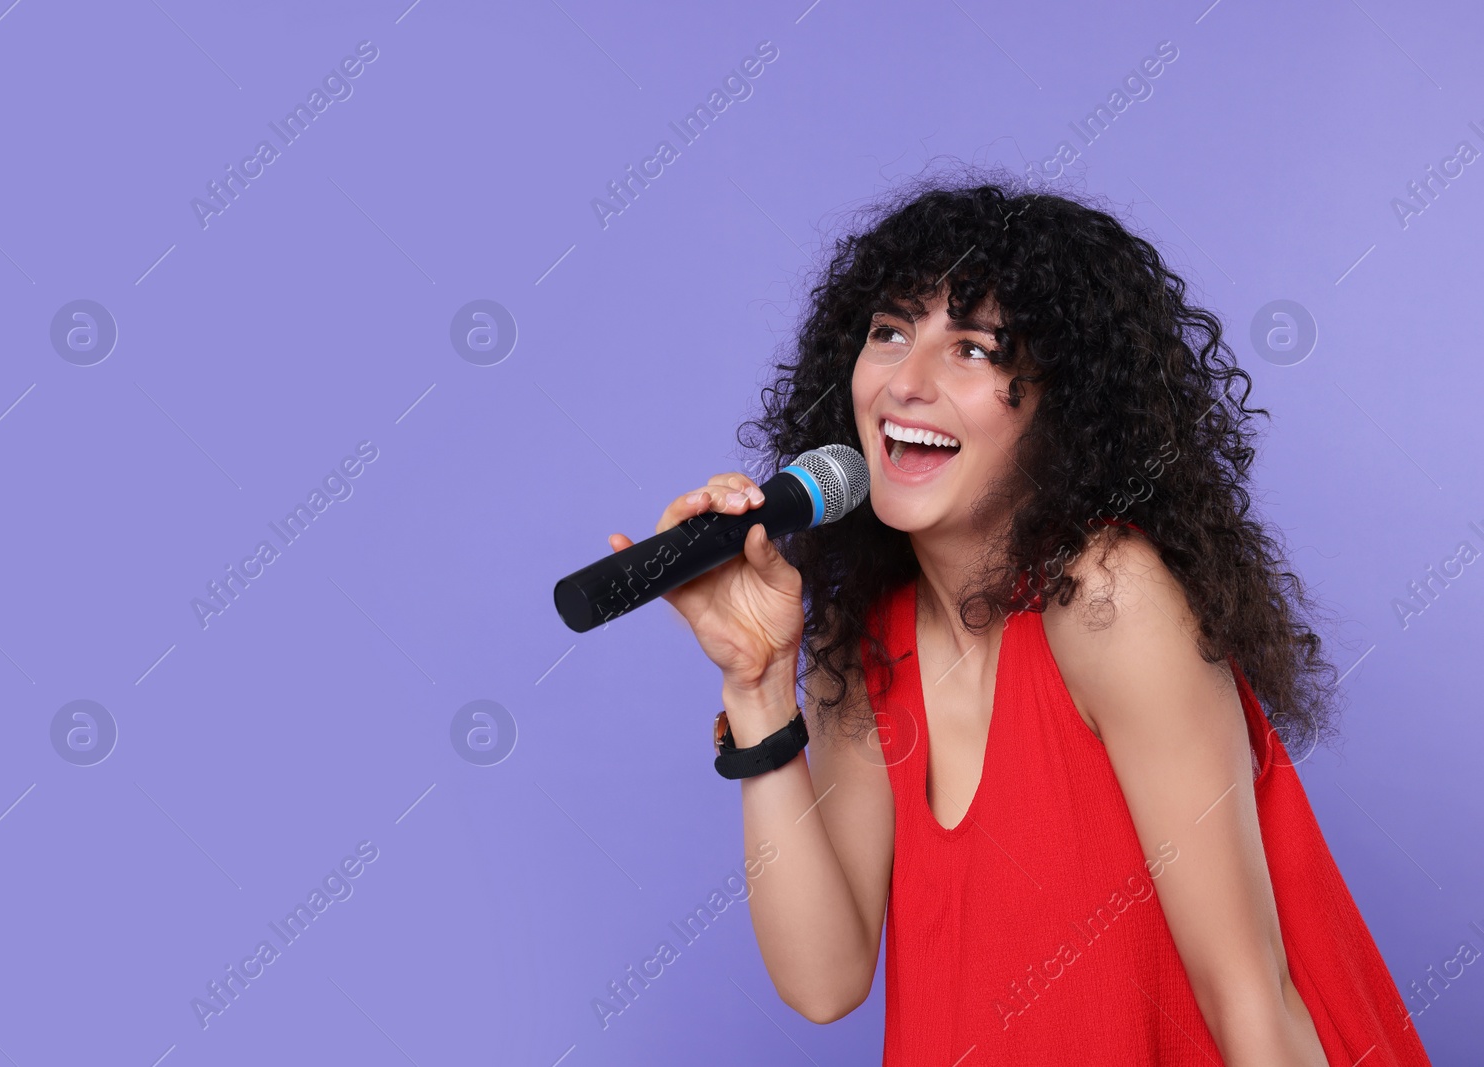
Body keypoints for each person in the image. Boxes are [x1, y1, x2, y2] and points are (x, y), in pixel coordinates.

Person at [608, 171, 1432, 1066]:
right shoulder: (865, 633)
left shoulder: (1112, 599)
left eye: (973, 349)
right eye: (889, 332)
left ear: (1061, 403)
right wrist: (758, 684)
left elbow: (1251, 1001)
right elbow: (825, 978)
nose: (906, 383)